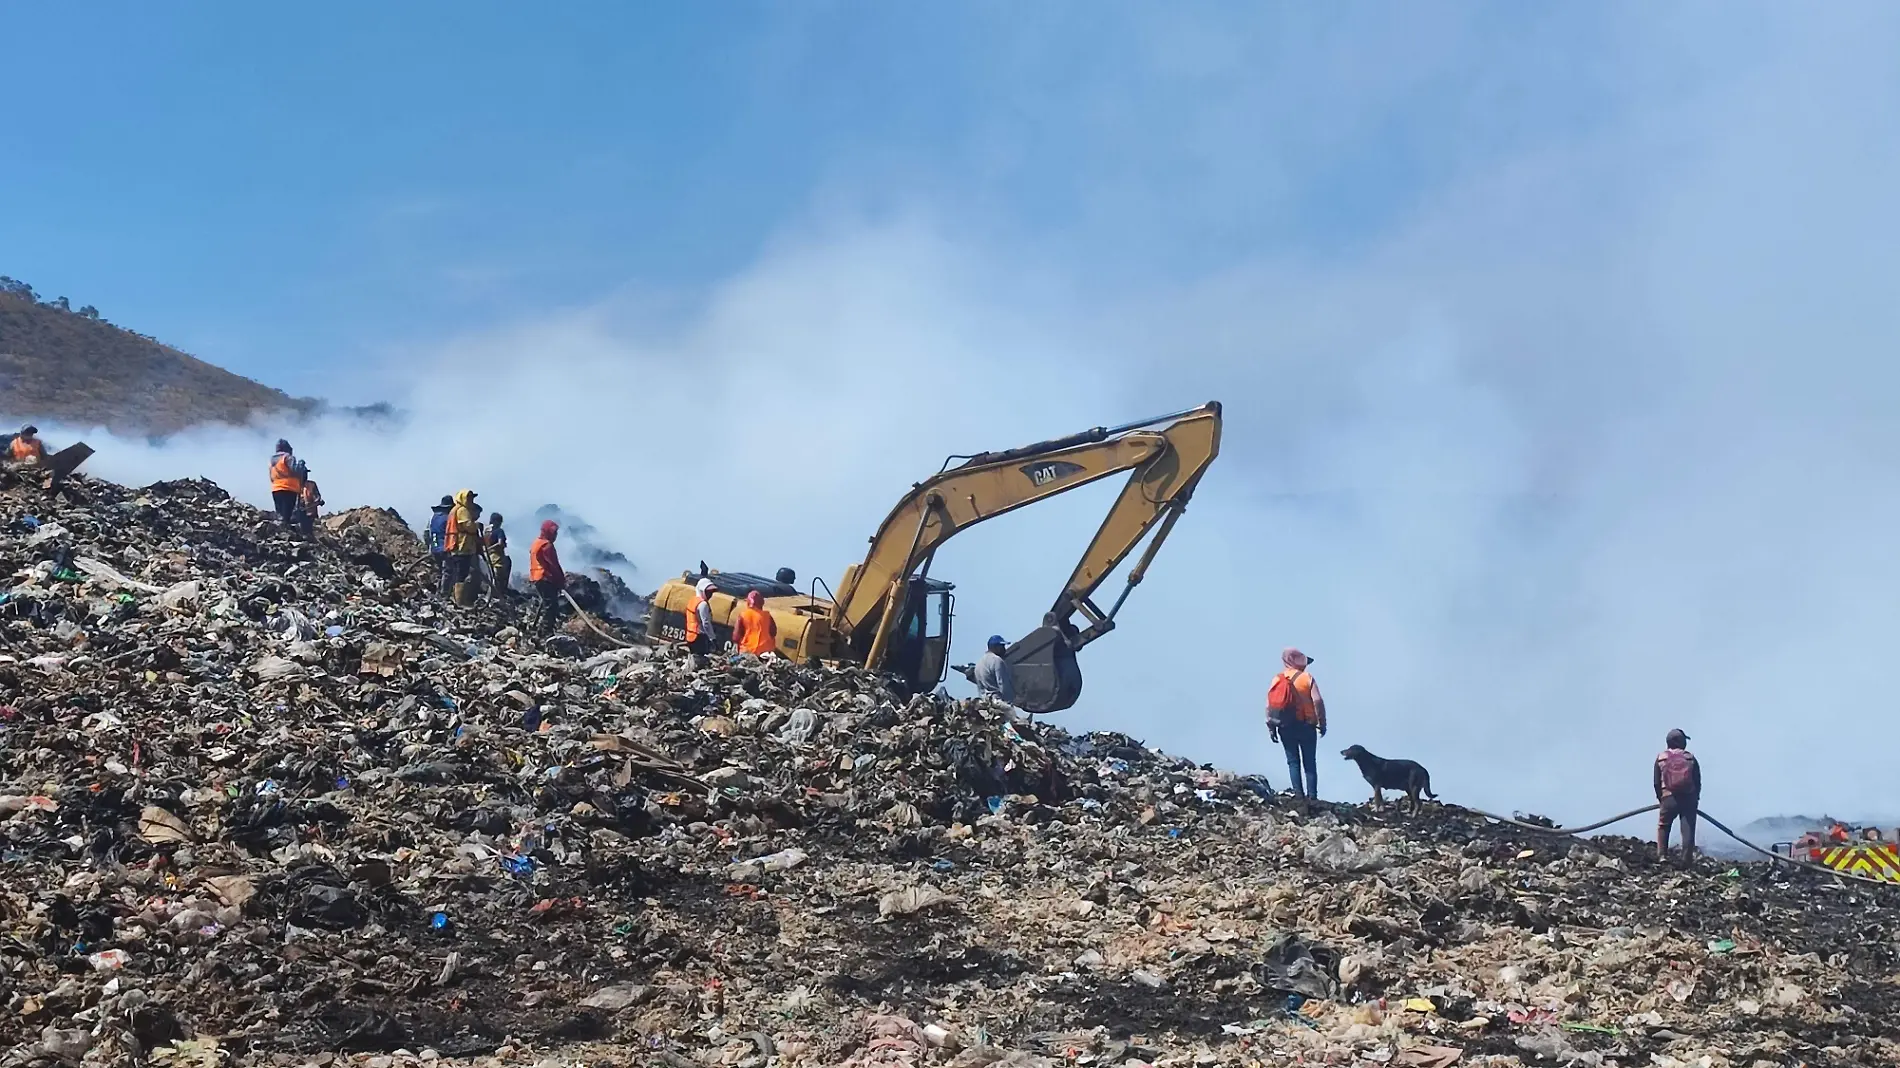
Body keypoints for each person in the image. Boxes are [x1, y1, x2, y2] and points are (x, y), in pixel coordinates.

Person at [1267, 648, 1326, 806]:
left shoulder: (1277, 679)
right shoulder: (1307, 678)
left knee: (1293, 762)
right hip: (1307, 725)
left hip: (1285, 727)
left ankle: (1298, 795)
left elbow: (1270, 707)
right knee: (1309, 762)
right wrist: (1322, 722)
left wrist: (1271, 728)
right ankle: (1312, 797)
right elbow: (1318, 701)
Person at [1654, 728, 1702, 865]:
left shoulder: (1661, 758)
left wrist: (1661, 799)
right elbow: (1697, 781)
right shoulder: (1690, 758)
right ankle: (1686, 859)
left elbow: (1656, 782)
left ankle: (1662, 855)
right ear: (1681, 742)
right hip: (1688, 799)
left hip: (1668, 798)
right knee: (1687, 828)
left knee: (1664, 825)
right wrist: (1695, 799)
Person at [442, 490, 483, 603]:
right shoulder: (463, 510)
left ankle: (450, 596)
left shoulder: (454, 510)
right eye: (469, 498)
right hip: (462, 546)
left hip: (456, 546)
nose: (471, 501)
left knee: (456, 572)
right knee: (461, 574)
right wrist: (477, 525)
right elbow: (468, 526)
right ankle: (459, 601)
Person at [527, 520, 565, 634]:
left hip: (536, 577)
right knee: (551, 606)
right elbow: (554, 565)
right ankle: (545, 631)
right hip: (545, 578)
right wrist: (561, 581)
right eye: (554, 532)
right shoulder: (547, 546)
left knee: (547, 604)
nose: (555, 535)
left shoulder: (536, 542)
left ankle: (539, 628)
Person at [268, 440, 307, 527]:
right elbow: (295, 470)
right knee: (287, 515)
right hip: (289, 488)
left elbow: (271, 476)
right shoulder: (288, 457)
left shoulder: (272, 460)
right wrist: (301, 465)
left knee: (280, 514)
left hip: (275, 489)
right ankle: (285, 532)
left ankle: (279, 532)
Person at [968, 635, 1016, 704]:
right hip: (998, 702)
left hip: (985, 703)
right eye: (1002, 647)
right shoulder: (997, 660)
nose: (1004, 650)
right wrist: (1010, 702)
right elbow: (1003, 684)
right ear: (996, 647)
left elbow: (980, 688)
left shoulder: (979, 663)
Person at [731, 589, 779, 655]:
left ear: (748, 602)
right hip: (765, 652)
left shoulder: (743, 615)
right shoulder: (767, 616)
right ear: (761, 603)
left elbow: (736, 635)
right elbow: (773, 632)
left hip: (747, 650)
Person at [684, 577, 717, 655]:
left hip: (690, 635)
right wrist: (712, 638)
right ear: (702, 590)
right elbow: (706, 623)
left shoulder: (693, 600)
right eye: (708, 592)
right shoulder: (703, 604)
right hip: (699, 637)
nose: (710, 595)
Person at [485, 513, 512, 599]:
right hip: (497, 556)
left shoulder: (487, 531)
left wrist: (487, 549)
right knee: (498, 577)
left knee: (492, 575)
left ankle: (490, 596)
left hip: (488, 556)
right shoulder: (499, 531)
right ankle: (495, 596)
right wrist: (491, 548)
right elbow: (500, 543)